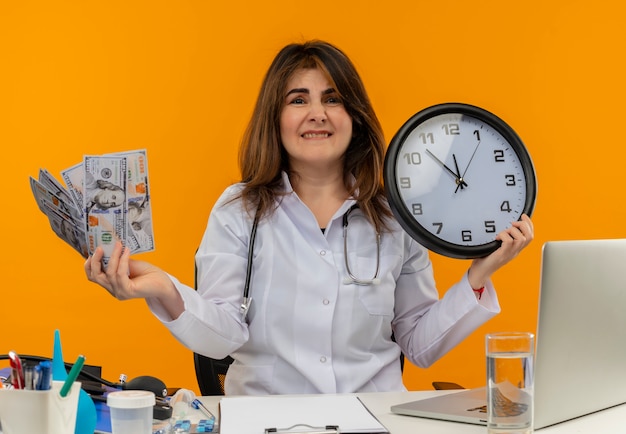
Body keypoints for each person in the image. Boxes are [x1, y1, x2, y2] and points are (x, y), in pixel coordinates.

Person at [85, 40, 533, 395]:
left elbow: (418, 344)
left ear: (353, 117)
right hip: (265, 421)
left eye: (333, 99)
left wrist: (478, 274)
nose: (317, 113)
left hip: (373, 418)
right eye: (298, 100)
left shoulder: (394, 217)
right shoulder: (239, 209)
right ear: (275, 118)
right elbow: (222, 336)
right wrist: (163, 287)